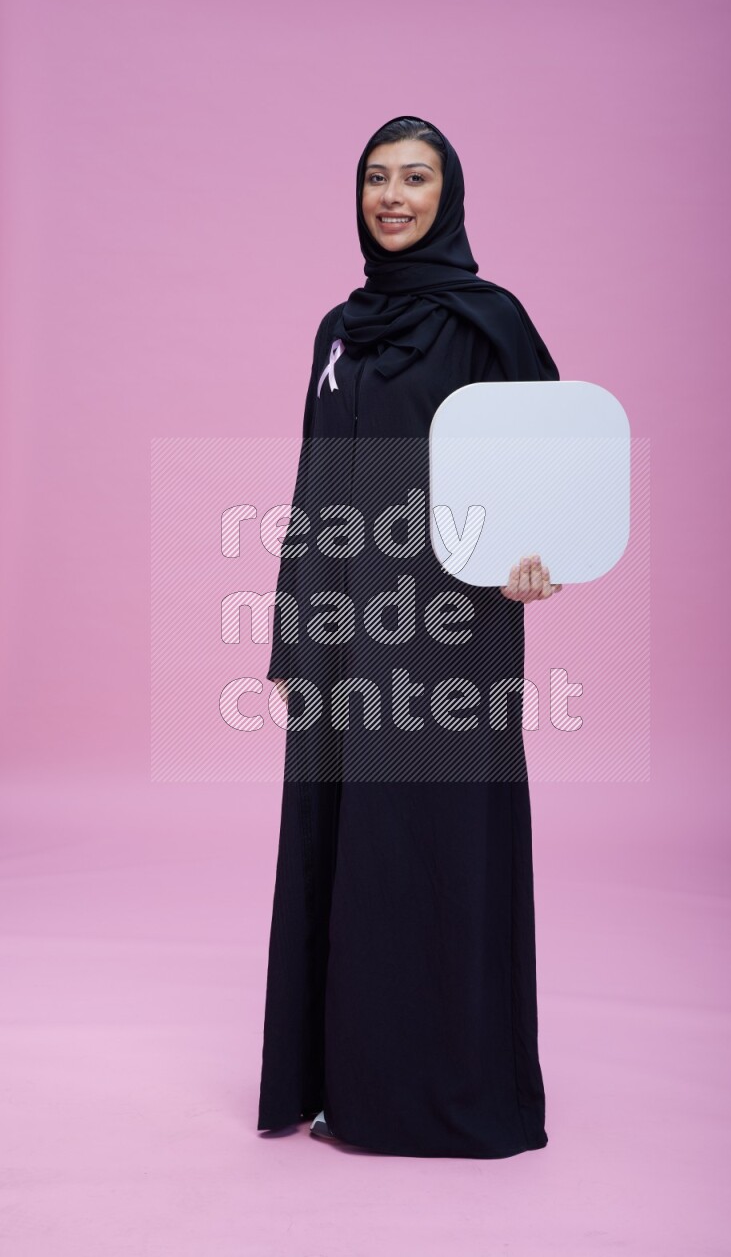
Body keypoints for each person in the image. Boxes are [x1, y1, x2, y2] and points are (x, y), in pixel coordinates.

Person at [257, 115, 561, 1159]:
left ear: (449, 194)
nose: (392, 197)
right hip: (346, 629)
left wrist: (536, 549)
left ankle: (448, 1089)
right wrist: (294, 629)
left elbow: (552, 456)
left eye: (414, 179)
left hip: (450, 630)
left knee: (432, 846)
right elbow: (312, 483)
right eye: (376, 179)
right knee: (345, 847)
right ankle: (343, 1081)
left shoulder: (490, 320)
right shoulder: (337, 329)